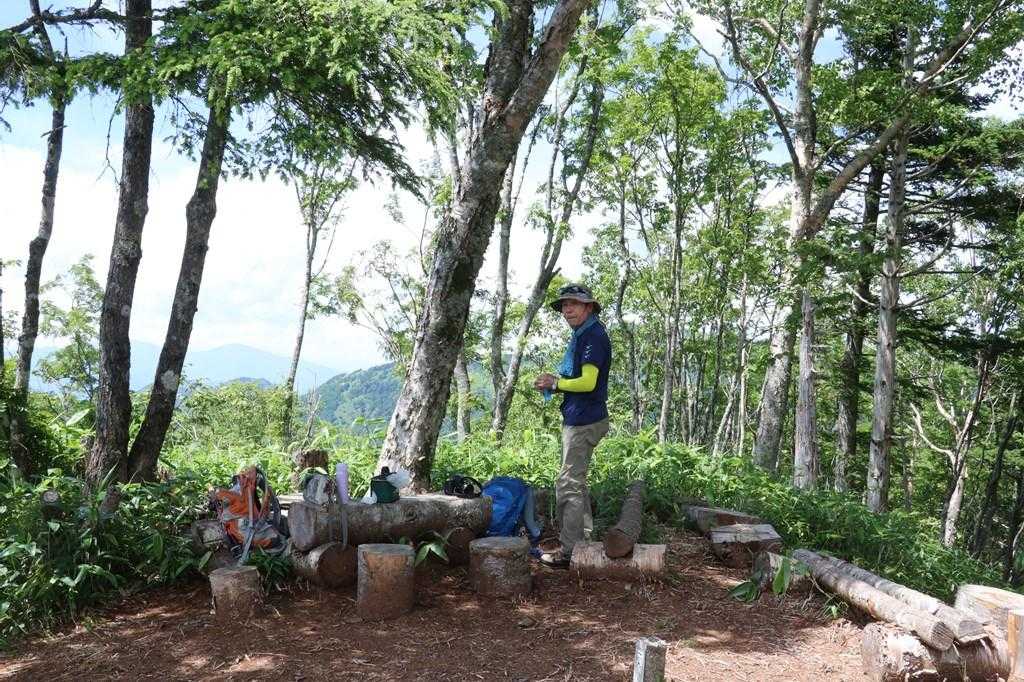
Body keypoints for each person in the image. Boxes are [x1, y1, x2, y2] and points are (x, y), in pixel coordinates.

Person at [533, 283, 612, 568]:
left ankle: (570, 552)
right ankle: (584, 544)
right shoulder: (583, 335)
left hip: (584, 421)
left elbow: (588, 382)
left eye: (574, 304)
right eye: (564, 305)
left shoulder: (593, 337)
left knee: (568, 484)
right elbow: (580, 380)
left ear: (588, 307)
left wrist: (556, 383)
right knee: (576, 483)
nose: (567, 310)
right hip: (581, 417)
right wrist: (554, 384)